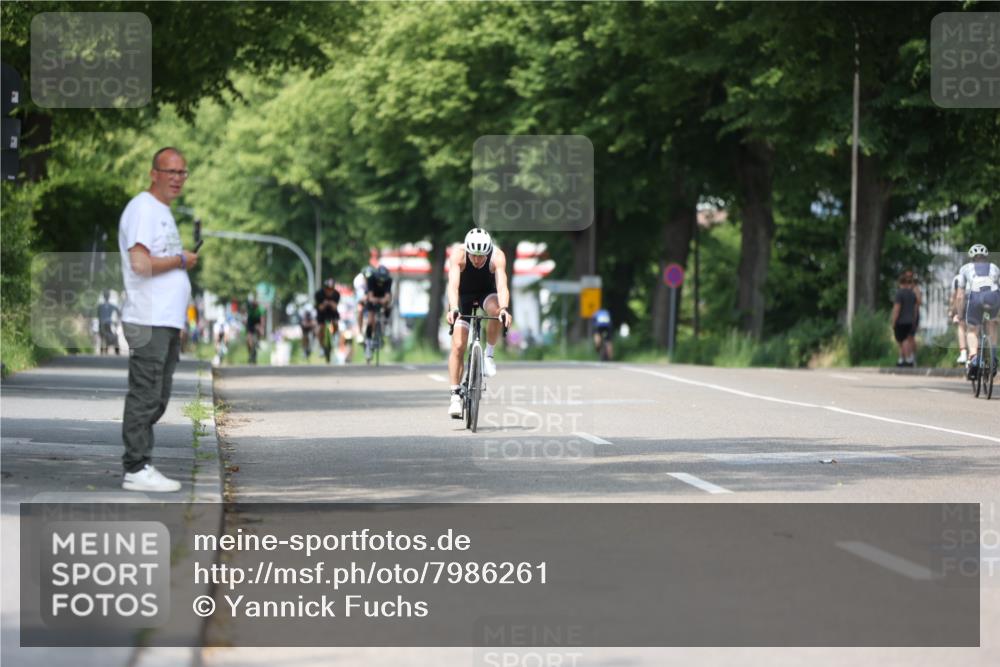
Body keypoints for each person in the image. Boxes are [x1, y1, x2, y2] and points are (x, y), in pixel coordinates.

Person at [118, 147, 197, 492]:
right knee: (146, 395)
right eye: (170, 172)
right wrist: (180, 260)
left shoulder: (162, 212)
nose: (177, 179)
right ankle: (136, 466)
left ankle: (140, 462)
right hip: (147, 317)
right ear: (154, 173)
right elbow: (140, 263)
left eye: (182, 173)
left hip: (164, 320)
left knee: (159, 396)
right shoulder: (143, 209)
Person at [445, 228, 512, 418]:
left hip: (486, 293)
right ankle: (455, 396)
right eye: (473, 255)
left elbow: (502, 285)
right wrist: (453, 308)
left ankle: (488, 354)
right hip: (463, 297)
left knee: (496, 311)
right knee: (458, 345)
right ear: (467, 251)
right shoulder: (458, 255)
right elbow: (453, 285)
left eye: (481, 256)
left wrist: (505, 308)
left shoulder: (497, 256)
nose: (477, 260)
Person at [956, 243, 1000, 380]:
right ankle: (992, 356)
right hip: (993, 297)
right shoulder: (994, 267)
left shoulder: (964, 269)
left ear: (971, 257)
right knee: (992, 324)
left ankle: (974, 357)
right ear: (985, 257)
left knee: (972, 330)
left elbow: (959, 295)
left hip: (975, 297)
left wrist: (960, 314)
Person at [362, 265, 393, 360]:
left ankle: (385, 323)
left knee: (388, 305)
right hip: (373, 297)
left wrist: (385, 300)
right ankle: (368, 342)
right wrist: (374, 299)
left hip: (383, 297)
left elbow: (388, 295)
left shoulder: (389, 280)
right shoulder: (371, 279)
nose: (381, 281)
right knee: (371, 320)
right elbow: (370, 296)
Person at [890, 271, 920, 367]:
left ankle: (907, 359)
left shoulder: (899, 294)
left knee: (903, 340)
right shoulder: (912, 294)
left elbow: (896, 309)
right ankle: (902, 359)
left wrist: (893, 321)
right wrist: (914, 320)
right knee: (905, 340)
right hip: (911, 320)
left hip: (901, 321)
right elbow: (916, 308)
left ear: (900, 283)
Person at [314, 278, 341, 363]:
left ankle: (335, 336)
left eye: (331, 289)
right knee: (320, 329)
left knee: (335, 323)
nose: (330, 291)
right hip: (322, 313)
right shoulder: (319, 294)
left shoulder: (336, 294)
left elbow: (335, 306)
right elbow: (319, 307)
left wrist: (330, 304)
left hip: (332, 313)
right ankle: (322, 347)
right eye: (328, 289)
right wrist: (324, 304)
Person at [948, 272, 969, 364]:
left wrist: (952, 312)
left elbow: (955, 297)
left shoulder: (958, 278)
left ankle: (963, 353)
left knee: (961, 325)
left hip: (965, 304)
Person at [97, 290, 121, 355]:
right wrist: (116, 322)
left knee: (104, 338)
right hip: (107, 324)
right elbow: (119, 313)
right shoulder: (110, 306)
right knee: (109, 338)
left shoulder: (101, 306)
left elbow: (98, 315)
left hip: (105, 324)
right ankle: (115, 353)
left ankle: (103, 353)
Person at [245, 293, 264, 364]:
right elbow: (248, 320)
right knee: (248, 339)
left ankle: (258, 341)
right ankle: (250, 353)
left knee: (259, 329)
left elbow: (262, 319)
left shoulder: (260, 309)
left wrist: (261, 328)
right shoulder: (250, 308)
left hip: (257, 322)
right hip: (250, 323)